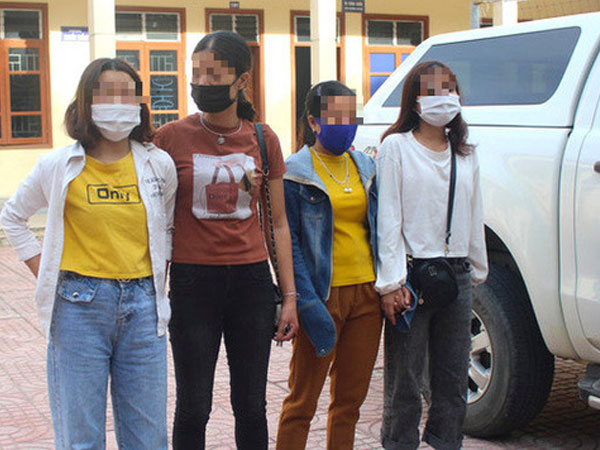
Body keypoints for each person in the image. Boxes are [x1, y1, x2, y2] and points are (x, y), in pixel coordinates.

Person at [0, 58, 177, 449]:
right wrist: (46, 272)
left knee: (149, 439)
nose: (119, 104)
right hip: (78, 308)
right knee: (81, 439)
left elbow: (166, 229)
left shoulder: (158, 164)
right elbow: (12, 217)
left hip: (144, 309)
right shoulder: (57, 165)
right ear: (87, 101)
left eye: (127, 95)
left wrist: (158, 286)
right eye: (107, 94)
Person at [152, 30, 299, 449]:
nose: (202, 83)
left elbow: (278, 223)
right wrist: (154, 293)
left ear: (242, 81)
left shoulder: (263, 139)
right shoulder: (169, 138)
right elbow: (156, 221)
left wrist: (289, 297)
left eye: (213, 75)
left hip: (251, 284)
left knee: (251, 405)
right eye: (196, 73)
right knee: (193, 405)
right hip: (192, 283)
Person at [375, 61, 488, 449]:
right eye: (434, 91)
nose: (445, 98)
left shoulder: (465, 153)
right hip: (411, 277)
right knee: (405, 379)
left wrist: (476, 269)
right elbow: (388, 218)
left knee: (453, 377)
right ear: (415, 100)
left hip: (456, 273)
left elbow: (474, 211)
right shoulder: (396, 147)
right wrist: (391, 283)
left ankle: (446, 441)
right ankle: (399, 443)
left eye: (450, 90)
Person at [276, 80, 381, 450]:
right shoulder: (294, 172)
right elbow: (289, 242)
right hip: (322, 296)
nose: (345, 124)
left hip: (367, 296)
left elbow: (380, 228)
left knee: (349, 403)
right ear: (313, 121)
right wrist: (303, 299)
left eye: (351, 116)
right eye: (335, 116)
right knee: (302, 401)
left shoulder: (366, 166)